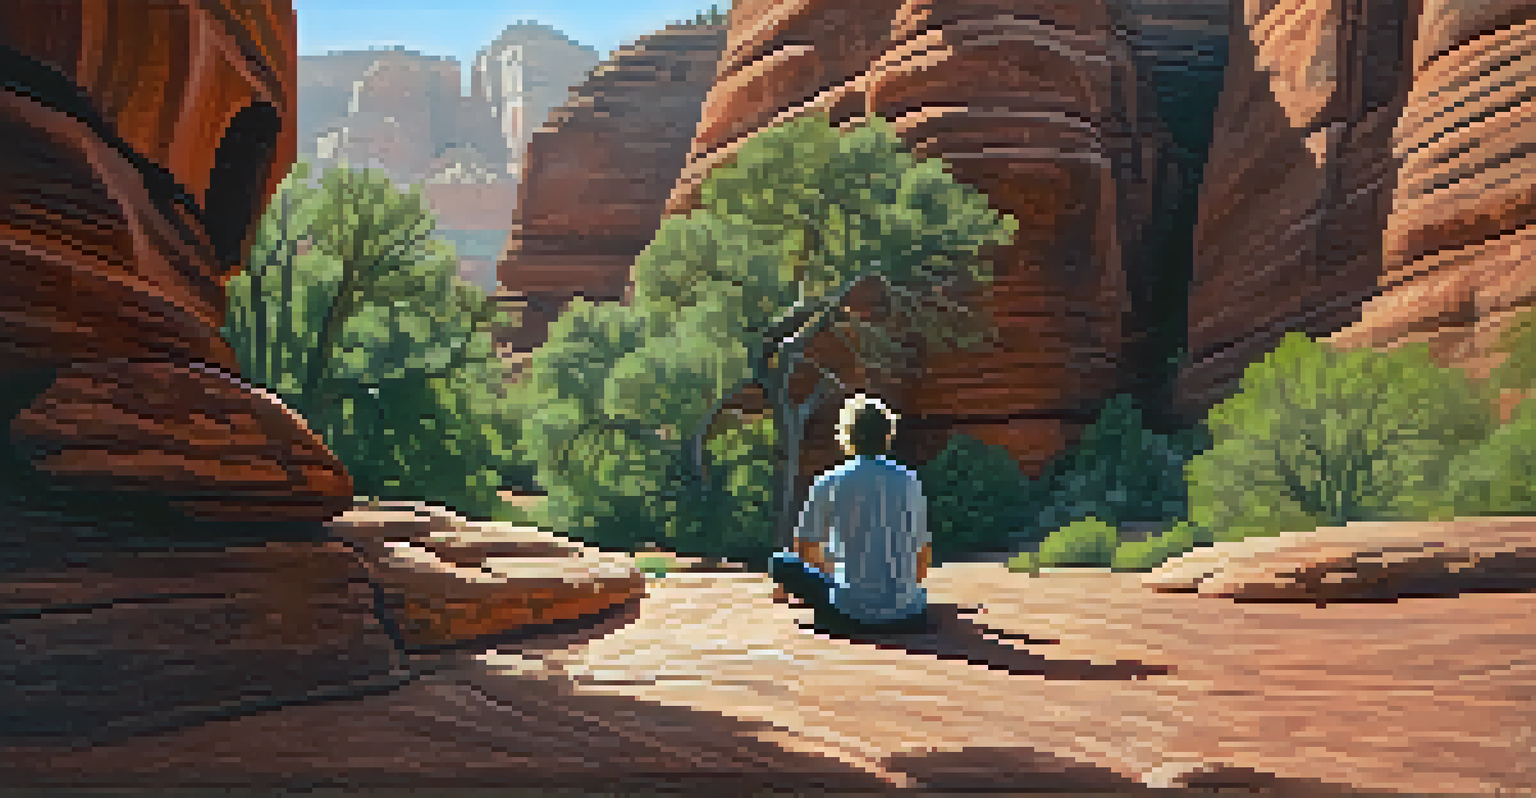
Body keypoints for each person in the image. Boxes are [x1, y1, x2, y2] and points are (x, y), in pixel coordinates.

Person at [770, 393, 932, 635]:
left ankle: (840, 604)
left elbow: (805, 549)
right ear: (887, 435)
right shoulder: (910, 480)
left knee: (781, 562)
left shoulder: (830, 481)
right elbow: (922, 555)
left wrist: (842, 575)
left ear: (847, 434)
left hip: (849, 612)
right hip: (908, 614)